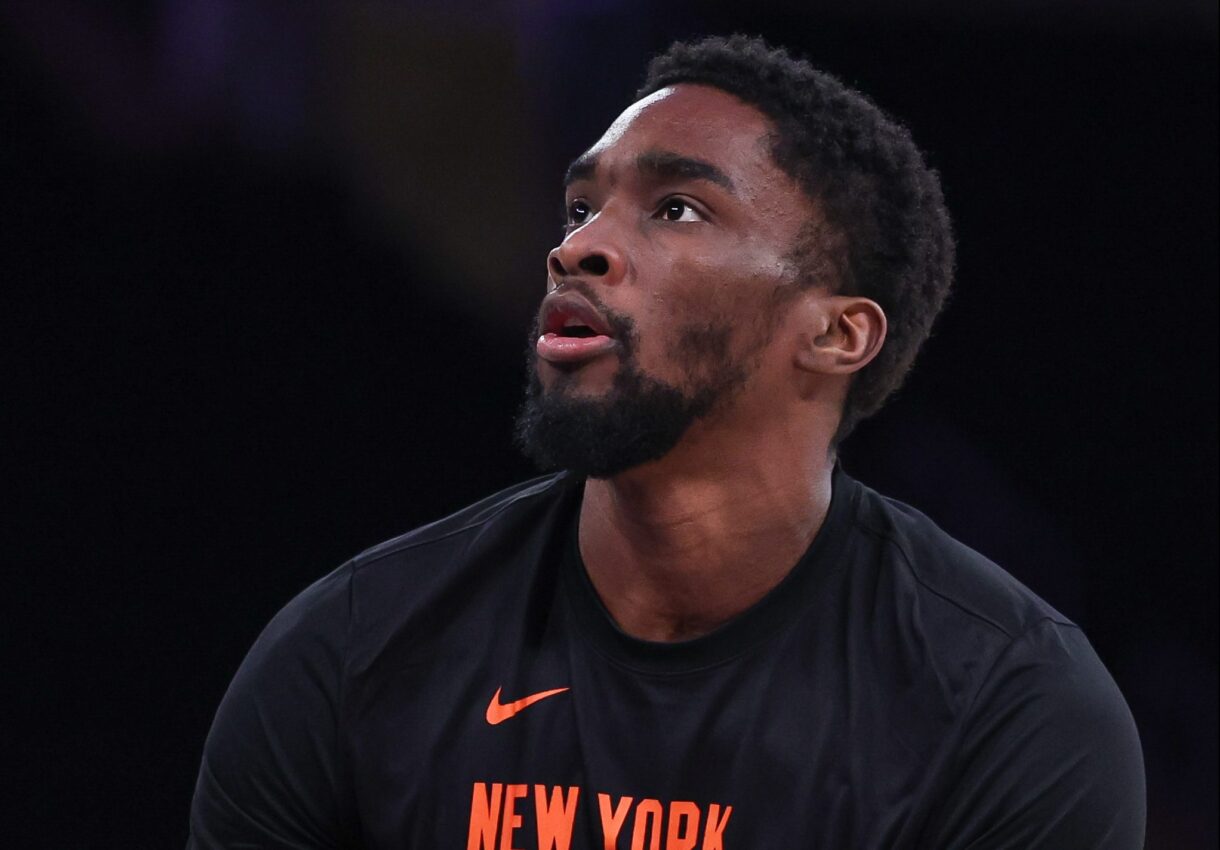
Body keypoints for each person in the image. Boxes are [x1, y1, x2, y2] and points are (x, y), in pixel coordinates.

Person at [188, 35, 1145, 849]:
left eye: (676, 209)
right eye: (579, 209)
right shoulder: (354, 648)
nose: (578, 247)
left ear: (835, 333)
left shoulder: (1008, 708)